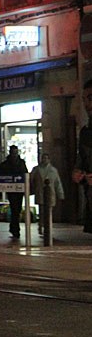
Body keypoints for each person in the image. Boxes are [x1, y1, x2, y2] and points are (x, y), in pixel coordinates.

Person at [72, 78, 92, 233]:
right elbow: (82, 159)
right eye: (85, 99)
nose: (87, 105)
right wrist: (78, 172)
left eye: (90, 99)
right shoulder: (85, 132)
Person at [0, 145, 28, 239]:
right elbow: (1, 174)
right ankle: (15, 229)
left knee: (17, 209)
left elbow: (25, 173)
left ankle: (14, 228)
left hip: (19, 189)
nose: (14, 154)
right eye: (13, 152)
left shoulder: (21, 163)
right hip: (11, 189)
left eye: (16, 152)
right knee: (14, 208)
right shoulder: (6, 164)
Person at [31, 153, 64, 234]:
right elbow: (31, 180)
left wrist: (60, 193)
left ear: (49, 159)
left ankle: (47, 227)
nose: (44, 160)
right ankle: (41, 226)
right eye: (43, 158)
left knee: (49, 211)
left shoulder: (53, 170)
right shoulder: (36, 169)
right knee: (41, 211)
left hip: (50, 193)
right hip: (40, 192)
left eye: (46, 158)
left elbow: (57, 183)